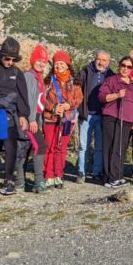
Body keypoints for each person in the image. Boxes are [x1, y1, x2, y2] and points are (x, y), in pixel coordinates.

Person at [0, 37, 30, 196]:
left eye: (13, 59)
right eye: (7, 58)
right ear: (1, 55)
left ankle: (8, 180)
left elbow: (22, 95)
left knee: (10, 147)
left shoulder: (17, 73)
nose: (10, 62)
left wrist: (24, 115)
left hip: (10, 114)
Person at [42, 50, 83, 188]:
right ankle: (48, 175)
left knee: (62, 147)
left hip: (67, 120)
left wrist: (68, 105)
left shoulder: (74, 83)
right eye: (56, 64)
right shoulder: (48, 82)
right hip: (50, 119)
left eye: (61, 63)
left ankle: (58, 174)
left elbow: (79, 99)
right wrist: (54, 108)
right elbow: (43, 99)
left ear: (67, 65)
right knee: (50, 146)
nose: (59, 66)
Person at [98, 56, 133, 188]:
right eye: (123, 65)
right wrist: (117, 95)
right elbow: (102, 97)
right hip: (111, 117)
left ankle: (118, 176)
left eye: (129, 67)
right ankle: (109, 178)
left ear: (132, 69)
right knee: (109, 147)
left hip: (126, 119)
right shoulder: (111, 80)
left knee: (121, 148)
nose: (125, 68)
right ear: (119, 66)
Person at [15, 44, 49, 193]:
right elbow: (28, 99)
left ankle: (20, 183)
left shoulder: (37, 77)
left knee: (24, 149)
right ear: (33, 60)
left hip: (34, 118)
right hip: (29, 118)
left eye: (44, 61)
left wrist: (38, 121)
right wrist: (32, 119)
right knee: (39, 147)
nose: (41, 63)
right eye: (39, 60)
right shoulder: (29, 77)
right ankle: (38, 182)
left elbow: (39, 102)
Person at [76, 49, 113, 184]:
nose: (101, 62)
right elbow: (77, 90)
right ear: (94, 58)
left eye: (104, 60)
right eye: (99, 59)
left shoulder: (111, 75)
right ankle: (81, 171)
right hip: (86, 115)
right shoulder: (85, 71)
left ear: (108, 62)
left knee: (99, 146)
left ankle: (96, 172)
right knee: (83, 145)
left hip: (102, 116)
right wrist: (79, 109)